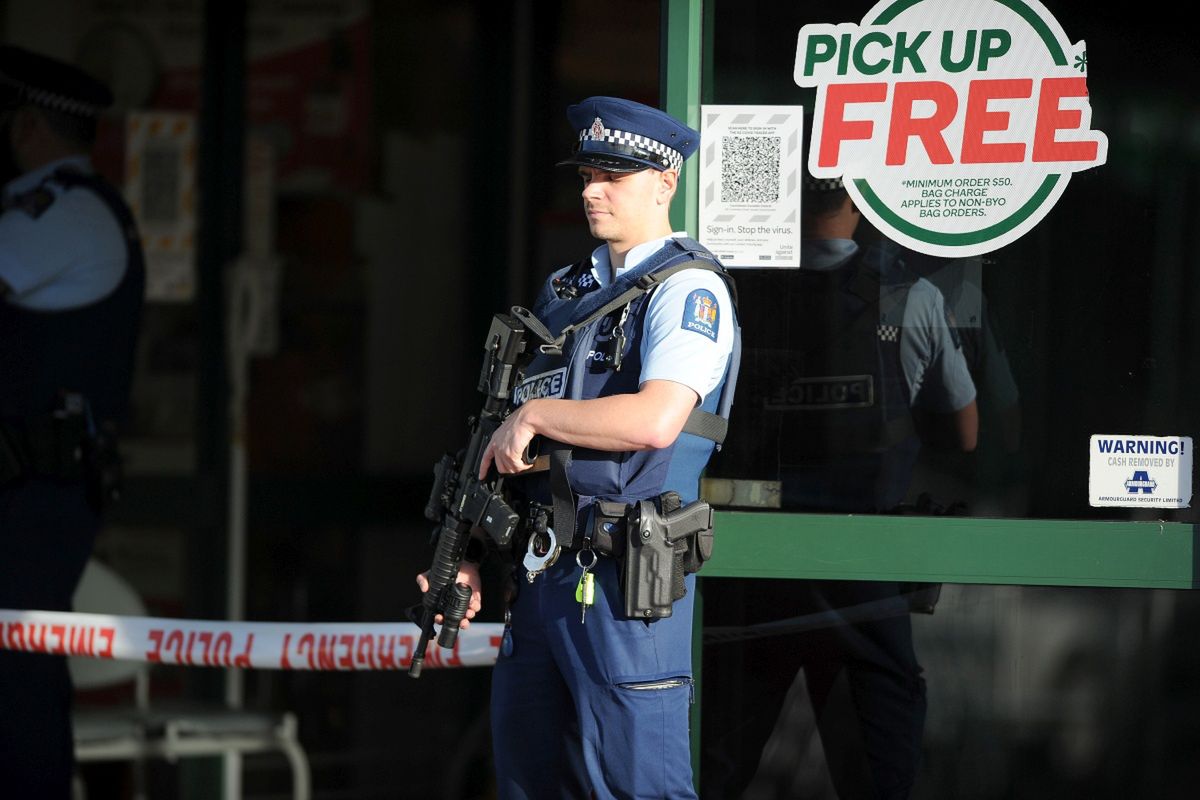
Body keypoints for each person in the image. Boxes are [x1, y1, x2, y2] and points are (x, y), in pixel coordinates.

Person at [417, 95, 740, 798]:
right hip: (540, 578)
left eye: (613, 177)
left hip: (625, 583)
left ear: (664, 183)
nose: (592, 190)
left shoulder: (688, 290)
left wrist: (538, 415)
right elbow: (498, 434)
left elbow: (657, 418)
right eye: (588, 174)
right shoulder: (567, 291)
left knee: (637, 787)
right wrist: (466, 552)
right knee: (531, 782)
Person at [700, 175, 977, 799]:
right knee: (880, 776)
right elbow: (965, 432)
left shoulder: (737, 295)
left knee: (711, 769)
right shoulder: (911, 297)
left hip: (754, 567)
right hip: (862, 574)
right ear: (863, 201)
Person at [0, 45, 145, 797]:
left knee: (17, 671)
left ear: (26, 126)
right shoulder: (63, 205)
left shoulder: (67, 211)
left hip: (37, 485)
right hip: (34, 485)